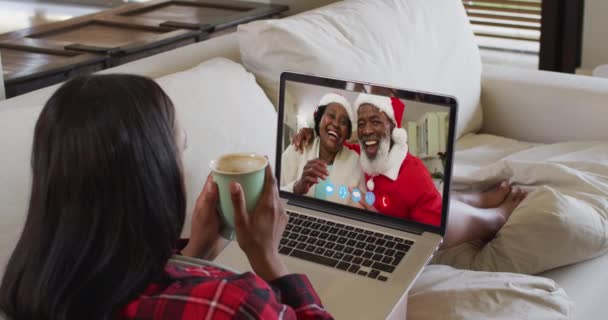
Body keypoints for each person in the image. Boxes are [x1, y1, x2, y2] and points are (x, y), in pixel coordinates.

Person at [0, 75, 333, 320]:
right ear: (152, 176)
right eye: (179, 148)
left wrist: (195, 252)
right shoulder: (231, 302)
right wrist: (269, 259)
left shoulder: (27, 290)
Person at [292, 93, 527, 248]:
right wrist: (311, 132)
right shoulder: (354, 152)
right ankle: (475, 198)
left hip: (409, 227)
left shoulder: (414, 173)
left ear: (392, 127)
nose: (366, 130)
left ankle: (493, 218)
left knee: (442, 218)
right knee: (445, 200)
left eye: (375, 121)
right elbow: (335, 143)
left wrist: (382, 225)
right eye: (361, 124)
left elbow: (428, 240)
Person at [281, 93, 364, 206]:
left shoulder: (356, 162)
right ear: (319, 120)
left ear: (347, 134)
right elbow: (273, 196)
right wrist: (296, 187)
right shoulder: (298, 147)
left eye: (343, 122)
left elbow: (358, 210)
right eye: (331, 116)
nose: (336, 124)